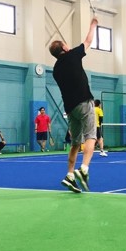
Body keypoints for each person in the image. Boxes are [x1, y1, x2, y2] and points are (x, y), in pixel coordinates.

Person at [49, 17, 98, 193]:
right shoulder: (73, 55)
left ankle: (69, 175)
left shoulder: (55, 70)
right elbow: (88, 41)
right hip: (84, 103)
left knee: (75, 143)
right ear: (64, 48)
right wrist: (93, 25)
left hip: (70, 109)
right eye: (65, 44)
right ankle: (84, 169)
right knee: (91, 136)